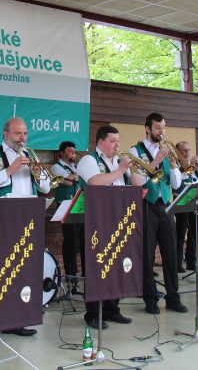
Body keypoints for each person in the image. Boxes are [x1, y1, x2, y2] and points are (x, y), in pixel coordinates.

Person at [0, 117, 49, 343]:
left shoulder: (31, 155)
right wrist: (9, 170)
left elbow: (46, 186)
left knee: (21, 270)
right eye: (18, 133)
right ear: (6, 134)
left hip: (27, 219)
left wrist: (38, 174)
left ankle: (15, 320)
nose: (22, 138)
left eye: (25, 133)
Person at [129, 113, 188, 315]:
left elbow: (176, 184)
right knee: (146, 254)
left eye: (163, 128)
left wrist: (174, 168)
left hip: (165, 205)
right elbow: (136, 181)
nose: (161, 132)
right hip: (146, 205)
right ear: (147, 128)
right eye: (157, 128)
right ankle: (150, 298)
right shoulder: (134, 151)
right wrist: (156, 160)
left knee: (171, 254)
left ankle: (173, 297)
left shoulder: (167, 152)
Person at [77, 125, 133, 329]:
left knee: (115, 266)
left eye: (118, 141)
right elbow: (94, 182)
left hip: (117, 219)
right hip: (95, 221)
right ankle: (93, 313)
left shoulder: (117, 161)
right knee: (96, 267)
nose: (117, 145)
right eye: (112, 141)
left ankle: (112, 309)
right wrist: (119, 170)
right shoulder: (88, 160)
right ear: (101, 142)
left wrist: (132, 168)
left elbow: (134, 184)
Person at [50, 141, 84, 277]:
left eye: (74, 151)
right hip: (65, 206)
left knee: (82, 239)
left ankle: (82, 273)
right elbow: (68, 181)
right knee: (71, 240)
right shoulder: (55, 168)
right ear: (61, 153)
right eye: (70, 151)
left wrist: (77, 175)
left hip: (80, 205)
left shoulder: (76, 167)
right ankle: (71, 274)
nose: (73, 154)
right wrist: (79, 175)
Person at [174, 141, 198, 272]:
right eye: (184, 151)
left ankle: (191, 261)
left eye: (188, 150)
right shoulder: (176, 165)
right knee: (180, 233)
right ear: (178, 152)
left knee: (195, 232)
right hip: (181, 201)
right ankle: (177, 263)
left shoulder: (193, 167)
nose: (187, 153)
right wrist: (190, 167)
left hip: (194, 202)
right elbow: (176, 183)